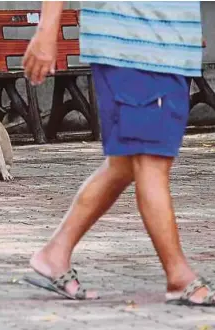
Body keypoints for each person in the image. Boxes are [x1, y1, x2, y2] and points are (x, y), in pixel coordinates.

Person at [22, 1, 214, 306]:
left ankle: (54, 253)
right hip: (137, 47)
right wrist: (47, 30)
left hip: (163, 44)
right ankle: (179, 276)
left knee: (125, 163)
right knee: (150, 161)